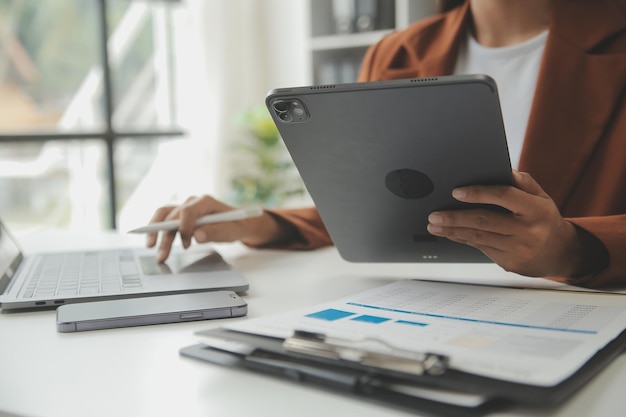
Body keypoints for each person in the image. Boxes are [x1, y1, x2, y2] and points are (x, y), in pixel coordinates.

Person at [147, 0, 626, 288]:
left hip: (574, 317)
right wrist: (260, 222)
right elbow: (375, 211)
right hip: (424, 306)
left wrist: (571, 248)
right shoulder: (397, 51)